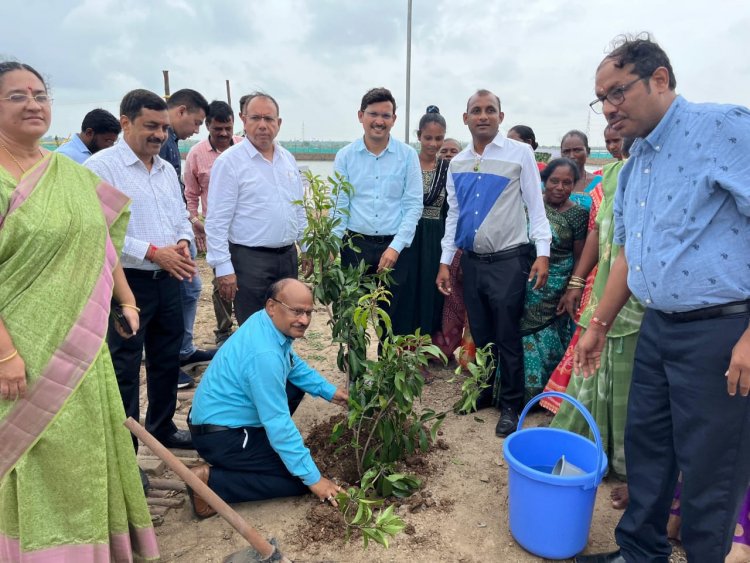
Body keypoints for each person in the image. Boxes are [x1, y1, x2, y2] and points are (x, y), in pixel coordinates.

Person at [574, 35, 750, 563]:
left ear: (660, 80)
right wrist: (598, 324)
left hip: (720, 332)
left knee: (710, 470)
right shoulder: (636, 163)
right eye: (600, 98)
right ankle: (639, 552)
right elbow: (629, 253)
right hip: (658, 325)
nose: (608, 107)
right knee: (648, 450)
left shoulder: (724, 128)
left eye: (617, 93)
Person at [0, 62, 158, 560]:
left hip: (83, 351)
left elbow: (101, 249)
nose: (33, 103)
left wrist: (126, 299)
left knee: (86, 452)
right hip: (20, 351)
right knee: (33, 456)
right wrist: (5, 354)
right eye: (17, 96)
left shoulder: (70, 175)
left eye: (40, 94)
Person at [86, 88, 197, 451]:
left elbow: (179, 213)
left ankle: (162, 427)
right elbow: (96, 232)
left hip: (169, 280)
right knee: (125, 367)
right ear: (125, 123)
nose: (160, 135)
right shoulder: (101, 169)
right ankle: (125, 450)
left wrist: (181, 241)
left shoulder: (165, 168)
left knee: (167, 359)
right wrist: (152, 253)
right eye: (151, 126)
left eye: (164, 128)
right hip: (126, 285)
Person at [436, 89, 552, 436]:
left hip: (509, 261)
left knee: (506, 335)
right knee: (482, 334)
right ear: (465, 118)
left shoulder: (519, 154)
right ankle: (484, 392)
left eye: (490, 110)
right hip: (472, 262)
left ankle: (512, 405)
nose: (483, 116)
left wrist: (542, 252)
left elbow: (535, 205)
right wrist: (445, 261)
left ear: (501, 117)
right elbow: (453, 214)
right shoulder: (456, 163)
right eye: (476, 110)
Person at [187, 279, 348, 517]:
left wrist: (330, 392)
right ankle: (211, 483)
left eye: (308, 312)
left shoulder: (264, 323)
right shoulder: (265, 355)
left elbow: (292, 365)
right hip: (223, 438)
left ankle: (255, 451)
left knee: (293, 386)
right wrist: (314, 479)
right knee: (299, 481)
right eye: (296, 311)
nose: (304, 320)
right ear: (272, 306)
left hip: (219, 421)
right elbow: (278, 422)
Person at [544, 140, 642, 495]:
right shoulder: (612, 174)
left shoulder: (656, 171)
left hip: (640, 299)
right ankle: (590, 448)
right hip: (605, 290)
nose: (617, 140)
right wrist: (577, 280)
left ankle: (627, 461)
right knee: (591, 371)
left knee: (629, 377)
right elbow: (599, 233)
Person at [205, 92, 309, 325]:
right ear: (244, 120)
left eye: (269, 119)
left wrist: (307, 246)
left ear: (278, 123)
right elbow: (217, 221)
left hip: (287, 258)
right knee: (254, 327)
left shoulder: (287, 159)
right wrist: (223, 268)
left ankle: (282, 363)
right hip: (250, 261)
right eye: (256, 118)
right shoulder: (230, 162)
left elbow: (298, 209)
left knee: (287, 323)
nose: (263, 125)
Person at [493, 158, 588, 410]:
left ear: (574, 185)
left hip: (557, 282)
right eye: (554, 181)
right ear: (543, 182)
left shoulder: (578, 214)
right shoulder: (528, 207)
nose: (560, 187)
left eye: (567, 182)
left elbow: (579, 256)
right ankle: (514, 393)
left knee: (548, 336)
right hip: (522, 279)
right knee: (517, 333)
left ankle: (545, 396)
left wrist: (571, 288)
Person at [332, 87, 422, 333]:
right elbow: (339, 205)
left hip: (395, 247)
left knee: (394, 318)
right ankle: (356, 372)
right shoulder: (345, 156)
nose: (379, 121)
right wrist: (331, 245)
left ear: (394, 119)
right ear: (361, 116)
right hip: (355, 246)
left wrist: (396, 246)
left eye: (386, 115)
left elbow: (413, 204)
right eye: (373, 114)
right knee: (352, 313)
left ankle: (388, 370)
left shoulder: (407, 156)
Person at [159, 88, 213, 389]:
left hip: (177, 236)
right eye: (196, 122)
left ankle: (184, 350)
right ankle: (175, 358)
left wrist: (187, 228)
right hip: (162, 246)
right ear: (181, 111)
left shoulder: (170, 144)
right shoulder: (163, 141)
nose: (196, 130)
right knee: (177, 299)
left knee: (190, 290)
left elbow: (174, 198)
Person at [184, 100, 243, 346]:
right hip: (216, 229)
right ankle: (223, 330)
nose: (224, 133)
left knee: (246, 279)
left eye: (228, 128)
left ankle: (247, 328)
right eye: (218, 128)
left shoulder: (243, 147)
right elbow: (190, 194)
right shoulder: (196, 154)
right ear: (208, 125)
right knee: (222, 281)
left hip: (244, 229)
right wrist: (195, 220)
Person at [390, 106, 450, 347]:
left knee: (429, 293)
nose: (433, 144)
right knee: (405, 292)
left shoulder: (448, 169)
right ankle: (401, 349)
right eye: (428, 138)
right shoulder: (406, 164)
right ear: (418, 136)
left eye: (439, 138)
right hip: (407, 236)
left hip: (434, 237)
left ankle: (423, 350)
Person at [56, 108, 121, 163]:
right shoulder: (64, 157)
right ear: (89, 133)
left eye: (113, 142)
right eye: (108, 141)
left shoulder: (98, 154)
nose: (111, 146)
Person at [560, 130, 602, 211]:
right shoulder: (550, 183)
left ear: (588, 152)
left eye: (577, 150)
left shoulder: (600, 184)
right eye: (566, 151)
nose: (571, 156)